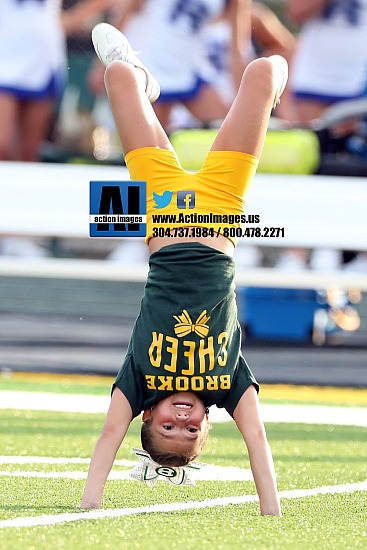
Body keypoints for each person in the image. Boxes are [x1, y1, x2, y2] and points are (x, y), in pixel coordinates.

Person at [81, 21, 288, 516]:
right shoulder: (225, 382)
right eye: (190, 431)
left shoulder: (140, 378)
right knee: (262, 70)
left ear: (147, 415)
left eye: (166, 428)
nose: (180, 420)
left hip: (162, 208)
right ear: (206, 422)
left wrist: (90, 504)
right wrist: (272, 510)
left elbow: (110, 434)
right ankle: (277, 88)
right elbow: (257, 437)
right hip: (220, 204)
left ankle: (138, 76)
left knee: (117, 78)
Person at [88, 0, 252, 132]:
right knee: (152, 145)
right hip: (153, 67)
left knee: (230, 129)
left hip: (190, 69)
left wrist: (243, 97)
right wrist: (102, 65)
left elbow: (238, 49)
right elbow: (128, 11)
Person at [0, 0, 115, 162]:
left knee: (28, 151)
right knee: (2, 145)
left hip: (42, 59)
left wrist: (71, 20)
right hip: (4, 56)